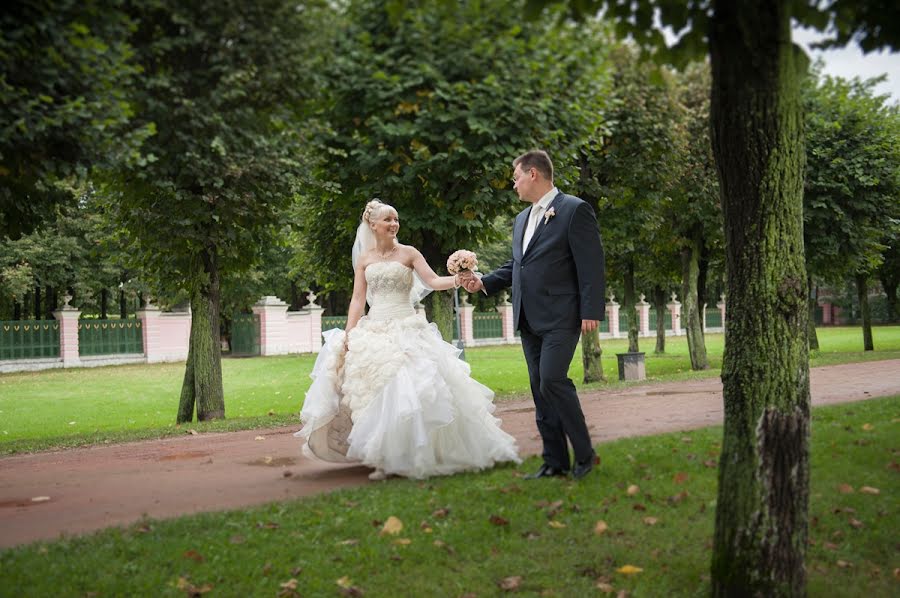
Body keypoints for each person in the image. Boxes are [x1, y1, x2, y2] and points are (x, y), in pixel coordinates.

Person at [296, 199, 520, 480]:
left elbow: (433, 281)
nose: (394, 224)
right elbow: (357, 299)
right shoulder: (365, 259)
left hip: (407, 327)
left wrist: (458, 279)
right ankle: (384, 455)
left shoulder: (409, 253)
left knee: (410, 388)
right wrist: (350, 333)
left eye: (396, 219)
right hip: (374, 329)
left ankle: (416, 453)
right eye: (388, 219)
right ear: (373, 225)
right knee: (376, 391)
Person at [462, 150, 605, 480]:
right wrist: (483, 282)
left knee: (553, 379)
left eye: (516, 178)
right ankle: (554, 462)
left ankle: (585, 455)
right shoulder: (521, 220)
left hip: (562, 315)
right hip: (527, 316)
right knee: (540, 389)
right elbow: (517, 265)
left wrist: (591, 308)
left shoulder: (574, 209)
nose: (514, 185)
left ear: (533, 175)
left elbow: (591, 263)